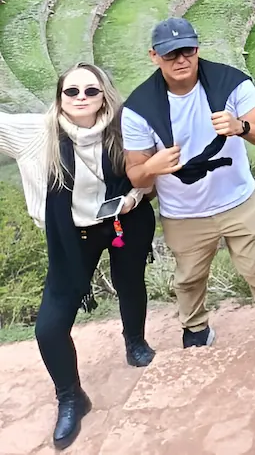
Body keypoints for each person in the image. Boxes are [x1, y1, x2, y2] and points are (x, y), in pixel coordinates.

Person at [0, 63, 156, 449]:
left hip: (126, 220)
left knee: (130, 282)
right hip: (72, 236)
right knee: (49, 327)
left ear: (105, 94)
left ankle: (135, 341)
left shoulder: (125, 126)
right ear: (60, 97)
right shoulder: (38, 132)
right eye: (72, 92)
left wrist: (134, 197)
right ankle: (71, 396)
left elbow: (149, 173)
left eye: (91, 90)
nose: (81, 98)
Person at [123, 17, 255, 347]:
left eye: (187, 50)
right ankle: (195, 327)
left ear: (197, 48)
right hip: (183, 211)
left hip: (239, 199)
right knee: (188, 279)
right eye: (170, 54)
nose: (181, 60)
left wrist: (241, 127)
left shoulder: (230, 83)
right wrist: (152, 165)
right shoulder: (138, 109)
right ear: (154, 56)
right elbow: (134, 173)